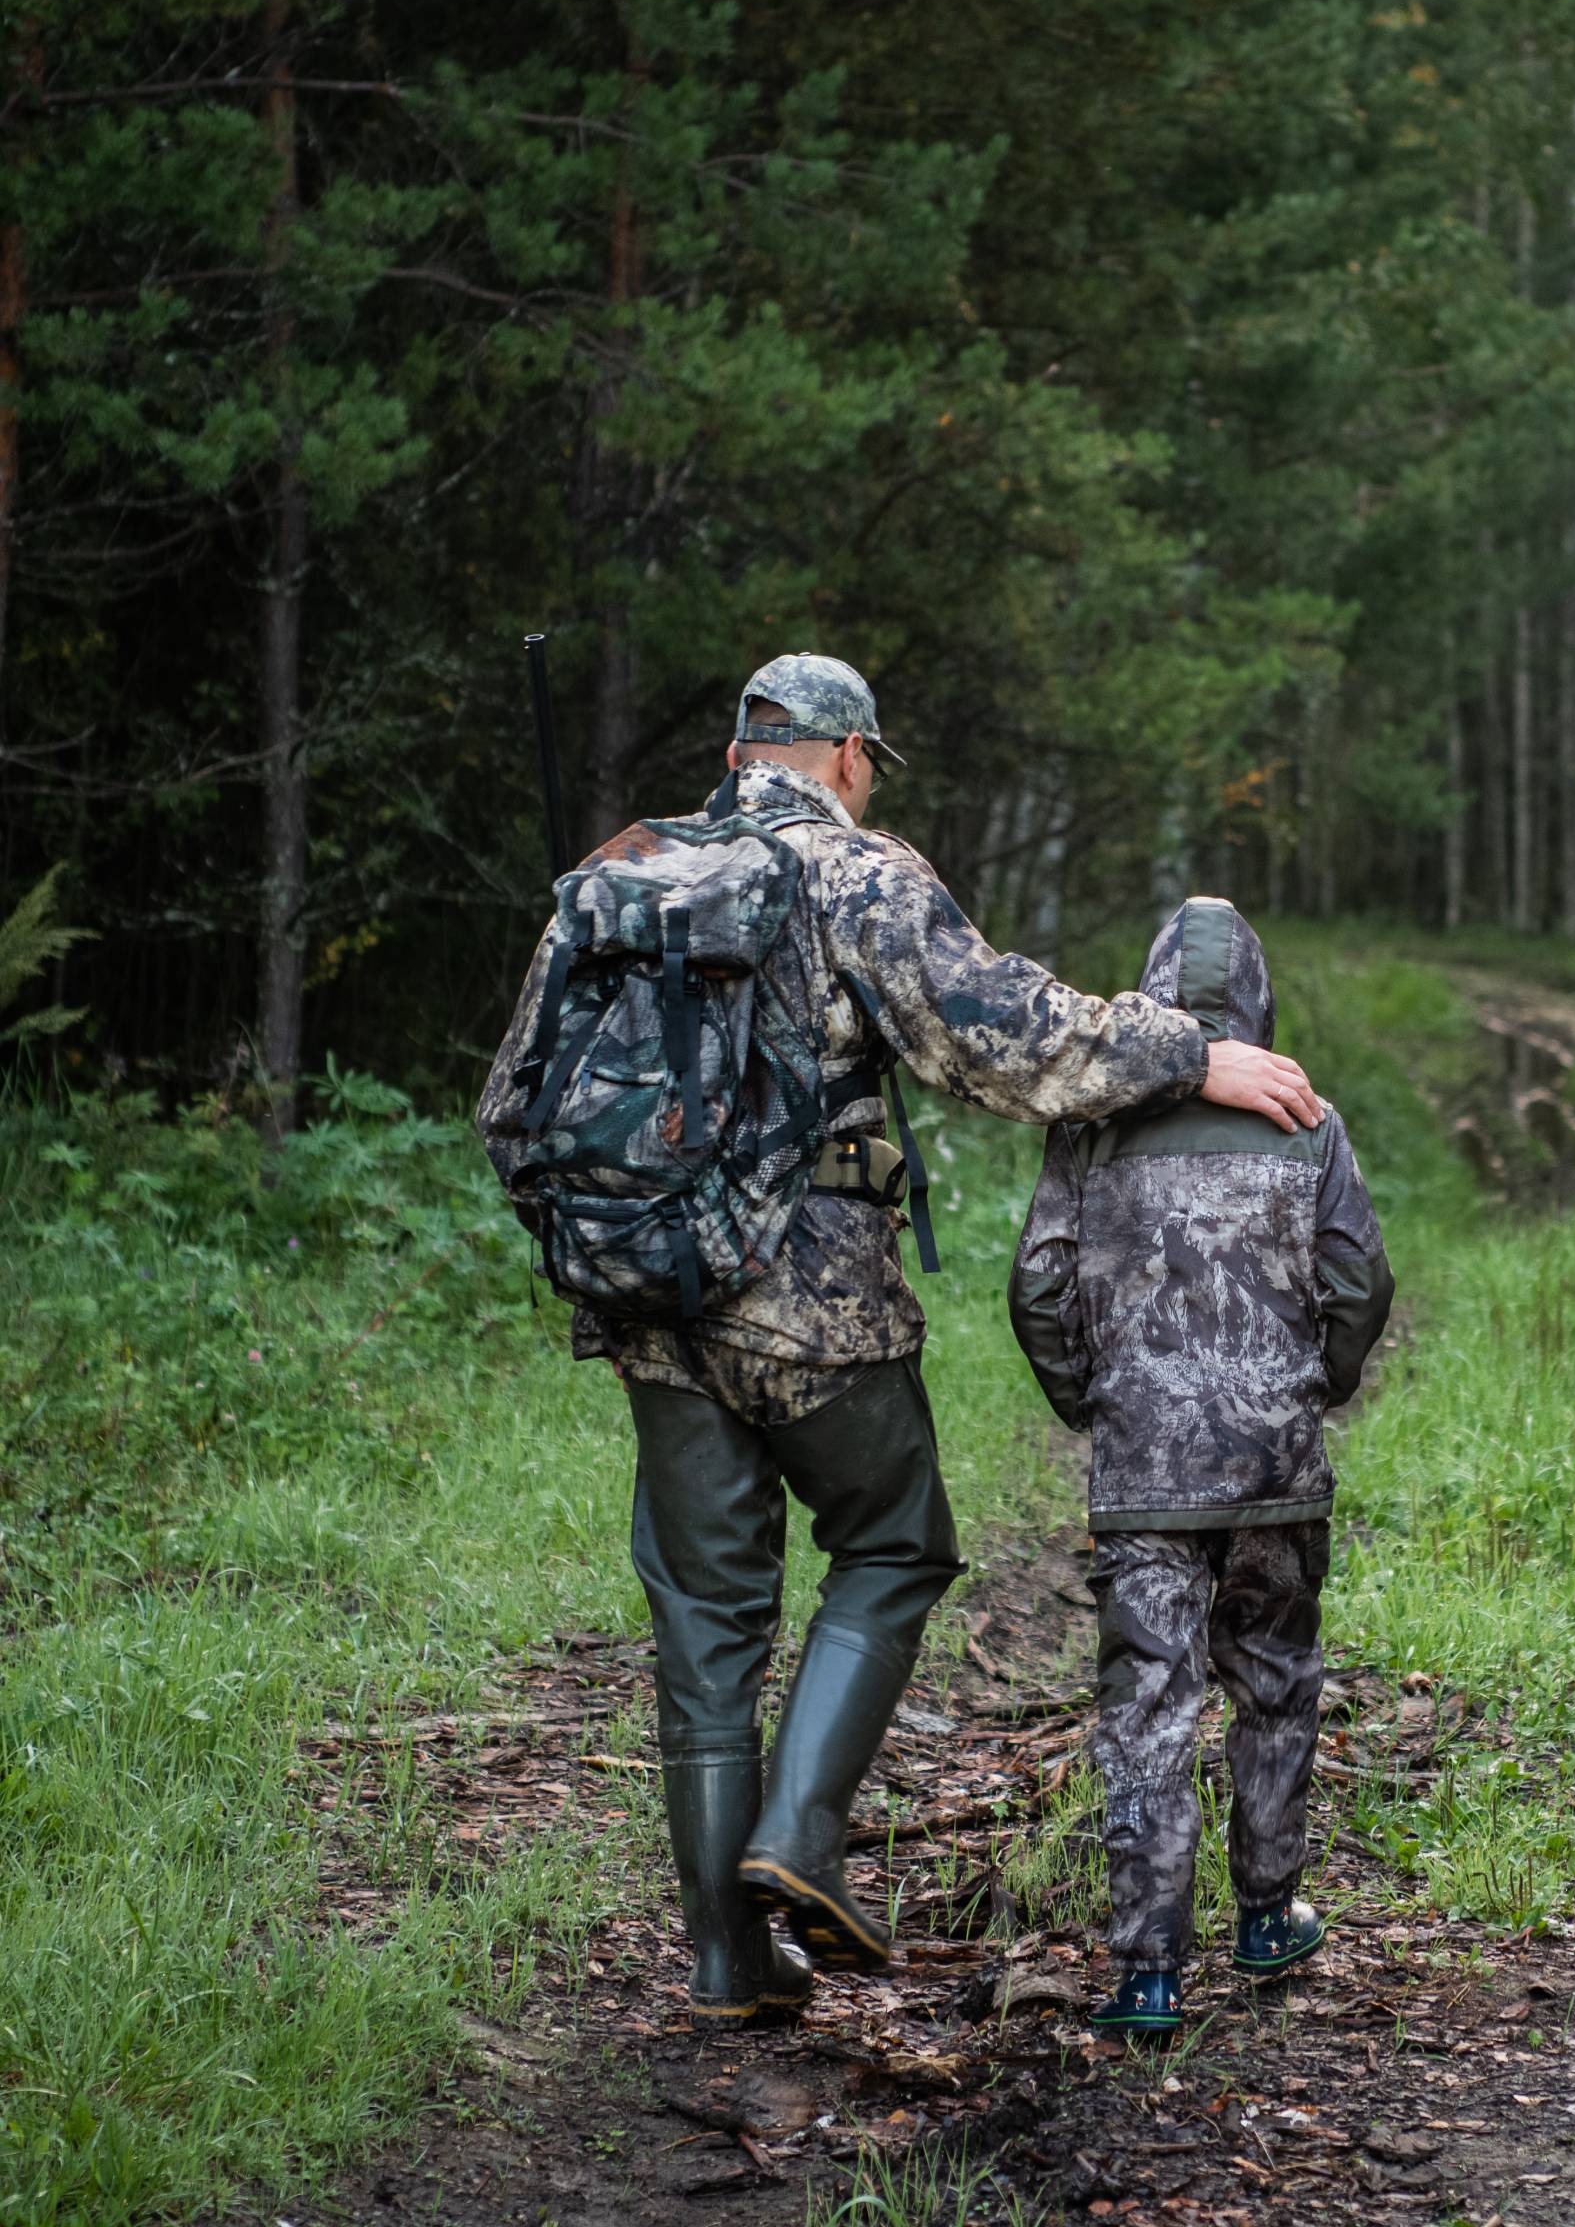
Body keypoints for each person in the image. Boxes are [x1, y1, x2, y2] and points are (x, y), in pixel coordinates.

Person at [479, 657, 1325, 2028]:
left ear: (746, 747)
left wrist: (616, 1241)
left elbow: (509, 1109)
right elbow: (1006, 1038)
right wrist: (1188, 1053)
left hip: (645, 1308)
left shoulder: (621, 871)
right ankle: (798, 1840)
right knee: (894, 1541)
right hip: (813, 1306)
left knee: (706, 1625)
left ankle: (726, 1965)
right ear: (851, 758)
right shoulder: (859, 877)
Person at [1008, 895, 1392, 2040]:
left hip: (1145, 1476)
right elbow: (1360, 1279)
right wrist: (1314, 1382)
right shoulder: (1303, 1116)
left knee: (1149, 1708)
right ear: (1258, 997)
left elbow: (1038, 1286)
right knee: (1273, 1680)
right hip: (1274, 1465)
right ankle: (1268, 1917)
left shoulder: (1090, 1126)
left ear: (1153, 994)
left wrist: (1093, 1396)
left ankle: (1149, 1976)